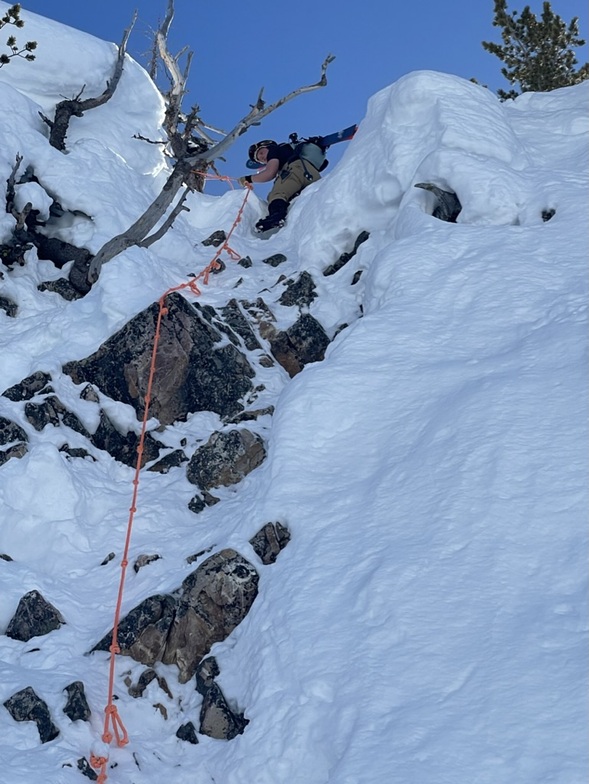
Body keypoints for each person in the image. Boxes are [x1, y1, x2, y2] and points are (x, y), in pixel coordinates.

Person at [238, 137, 326, 233]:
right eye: (260, 160)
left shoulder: (273, 149)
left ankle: (276, 217)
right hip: (312, 173)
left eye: (261, 153)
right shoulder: (289, 149)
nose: (262, 158)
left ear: (267, 146)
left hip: (294, 170)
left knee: (276, 194)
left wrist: (247, 179)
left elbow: (270, 173)